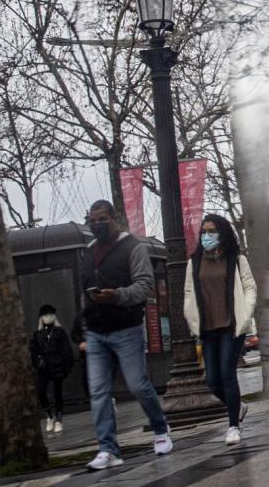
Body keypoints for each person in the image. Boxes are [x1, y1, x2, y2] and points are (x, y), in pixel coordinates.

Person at [79, 200, 171, 470]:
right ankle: (108, 449)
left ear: (115, 217)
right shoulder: (89, 251)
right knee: (98, 392)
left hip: (126, 328)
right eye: (92, 220)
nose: (96, 224)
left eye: (102, 219)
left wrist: (117, 296)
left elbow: (144, 285)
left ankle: (160, 428)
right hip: (96, 331)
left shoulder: (133, 247)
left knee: (137, 385)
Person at [183, 214, 258, 445]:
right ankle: (238, 407)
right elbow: (188, 293)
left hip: (231, 326)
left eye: (212, 231)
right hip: (207, 328)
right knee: (212, 381)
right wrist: (191, 316)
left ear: (223, 232)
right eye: (204, 231)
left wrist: (245, 314)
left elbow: (250, 288)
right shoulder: (194, 262)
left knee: (227, 374)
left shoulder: (236, 259)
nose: (207, 235)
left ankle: (233, 426)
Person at [30, 304, 74, 434]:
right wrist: (37, 362)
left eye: (50, 314)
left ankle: (59, 419)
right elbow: (33, 350)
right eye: (45, 315)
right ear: (41, 318)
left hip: (57, 365)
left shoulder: (60, 332)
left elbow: (67, 350)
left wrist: (65, 365)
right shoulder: (37, 334)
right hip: (44, 366)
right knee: (41, 391)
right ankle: (49, 416)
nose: (48, 317)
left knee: (57, 393)